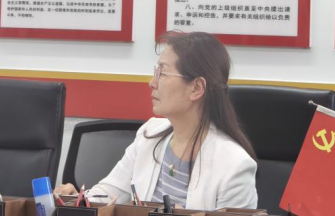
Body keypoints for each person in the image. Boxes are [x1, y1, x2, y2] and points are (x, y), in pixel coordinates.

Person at [55, 31, 258, 210]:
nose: (152, 83)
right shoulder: (149, 134)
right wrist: (78, 200)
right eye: (156, 72)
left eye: (163, 73)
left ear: (196, 88)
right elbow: (109, 193)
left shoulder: (235, 166)